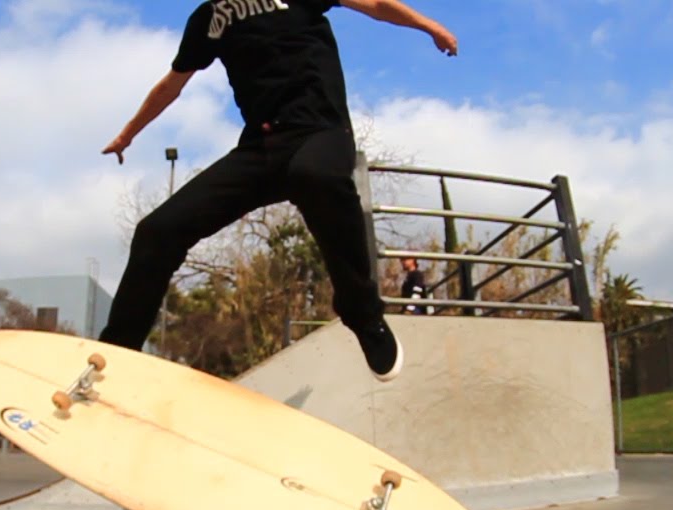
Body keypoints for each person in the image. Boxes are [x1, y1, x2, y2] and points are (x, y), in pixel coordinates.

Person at [100, 0, 458, 382]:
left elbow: (374, 5)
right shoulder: (208, 19)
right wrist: (128, 133)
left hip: (320, 133)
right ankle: (117, 354)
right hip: (260, 150)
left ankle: (363, 314)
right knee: (158, 230)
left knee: (313, 175)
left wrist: (428, 26)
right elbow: (172, 84)